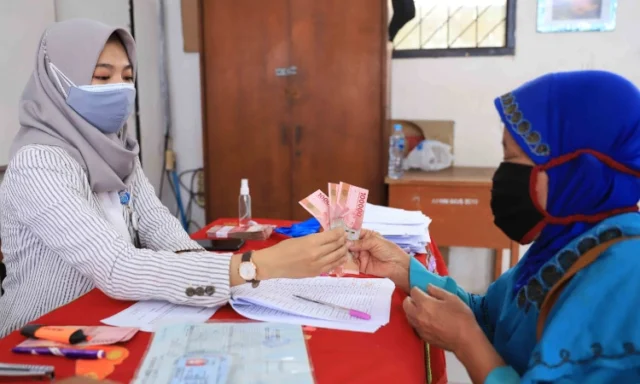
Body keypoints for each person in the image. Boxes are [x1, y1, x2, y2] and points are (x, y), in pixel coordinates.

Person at [0, 19, 348, 338]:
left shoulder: (118, 151)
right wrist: (256, 266)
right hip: (43, 334)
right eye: (102, 77)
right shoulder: (39, 163)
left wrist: (247, 289)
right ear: (57, 80)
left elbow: (166, 235)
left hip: (111, 320)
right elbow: (117, 267)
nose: (120, 89)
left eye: (127, 76)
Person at [349, 70, 640, 383]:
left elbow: (477, 332)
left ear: (579, 171)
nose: (503, 174)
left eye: (514, 157)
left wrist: (466, 342)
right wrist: (402, 269)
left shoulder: (626, 273)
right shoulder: (569, 240)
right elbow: (491, 317)